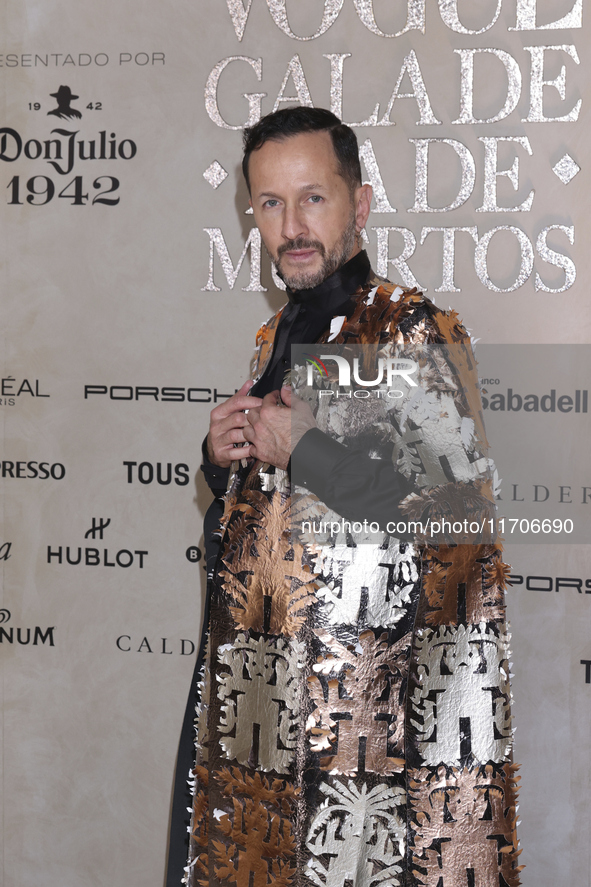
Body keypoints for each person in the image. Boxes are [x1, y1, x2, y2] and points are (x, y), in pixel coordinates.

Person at [168, 107, 521, 887]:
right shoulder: (274, 341)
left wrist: (307, 451)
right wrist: (223, 460)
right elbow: (277, 523)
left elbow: (456, 527)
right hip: (261, 714)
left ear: (358, 206)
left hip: (366, 741)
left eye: (313, 198)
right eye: (269, 203)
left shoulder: (410, 332)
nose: (291, 225)